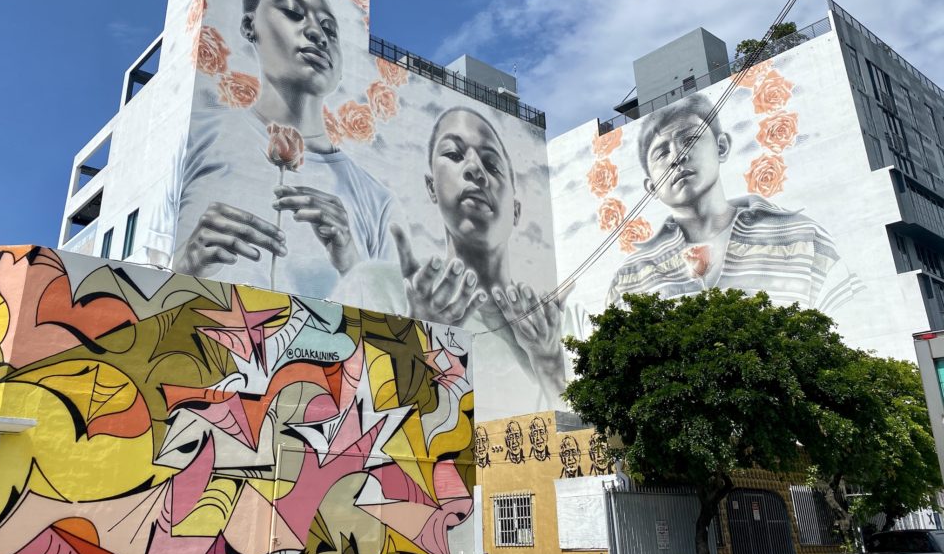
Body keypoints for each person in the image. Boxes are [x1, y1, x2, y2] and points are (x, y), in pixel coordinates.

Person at [169, 0, 400, 296]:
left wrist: (351, 261)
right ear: (250, 26)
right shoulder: (200, 135)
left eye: (329, 29)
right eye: (293, 13)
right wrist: (185, 268)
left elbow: (397, 328)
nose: (317, 35)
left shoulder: (375, 198)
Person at [335, 106, 567, 412]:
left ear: (516, 210)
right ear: (431, 187)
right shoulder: (375, 286)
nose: (474, 170)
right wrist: (417, 334)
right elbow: (340, 416)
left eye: (491, 164)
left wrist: (549, 363)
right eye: (455, 154)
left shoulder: (544, 330)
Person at [606, 94, 860, 312]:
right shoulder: (630, 275)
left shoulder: (803, 236)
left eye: (689, 140)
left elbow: (852, 318)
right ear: (651, 188)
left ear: (722, 147)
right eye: (662, 152)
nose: (677, 157)